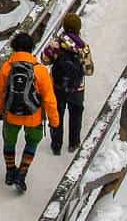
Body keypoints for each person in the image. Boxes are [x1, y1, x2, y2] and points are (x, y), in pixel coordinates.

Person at [0, 31, 59, 193]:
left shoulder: (6, 68)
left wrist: (1, 111)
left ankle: (10, 171)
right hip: (34, 116)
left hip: (11, 115)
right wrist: (54, 121)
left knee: (9, 142)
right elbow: (50, 99)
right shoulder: (40, 71)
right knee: (32, 142)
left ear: (14, 48)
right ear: (32, 48)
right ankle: (21, 174)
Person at [41, 13, 94, 155]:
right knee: (76, 115)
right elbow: (89, 71)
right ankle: (73, 143)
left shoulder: (56, 44)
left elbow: (45, 60)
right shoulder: (83, 47)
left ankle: (56, 145)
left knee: (57, 115)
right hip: (77, 88)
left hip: (58, 87)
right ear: (78, 28)